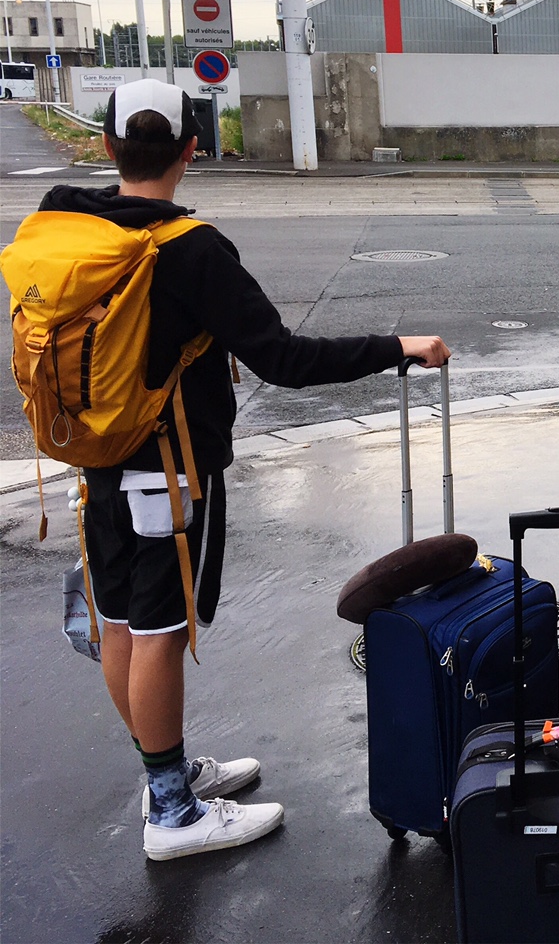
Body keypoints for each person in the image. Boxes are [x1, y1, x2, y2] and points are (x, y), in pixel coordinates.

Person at [41, 79, 451, 862]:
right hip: (166, 468)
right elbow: (284, 360)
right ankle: (172, 813)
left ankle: (164, 773)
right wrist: (397, 347)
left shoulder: (71, 228)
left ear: (106, 147)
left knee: (122, 623)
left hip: (95, 458)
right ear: (193, 149)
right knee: (159, 632)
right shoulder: (188, 247)